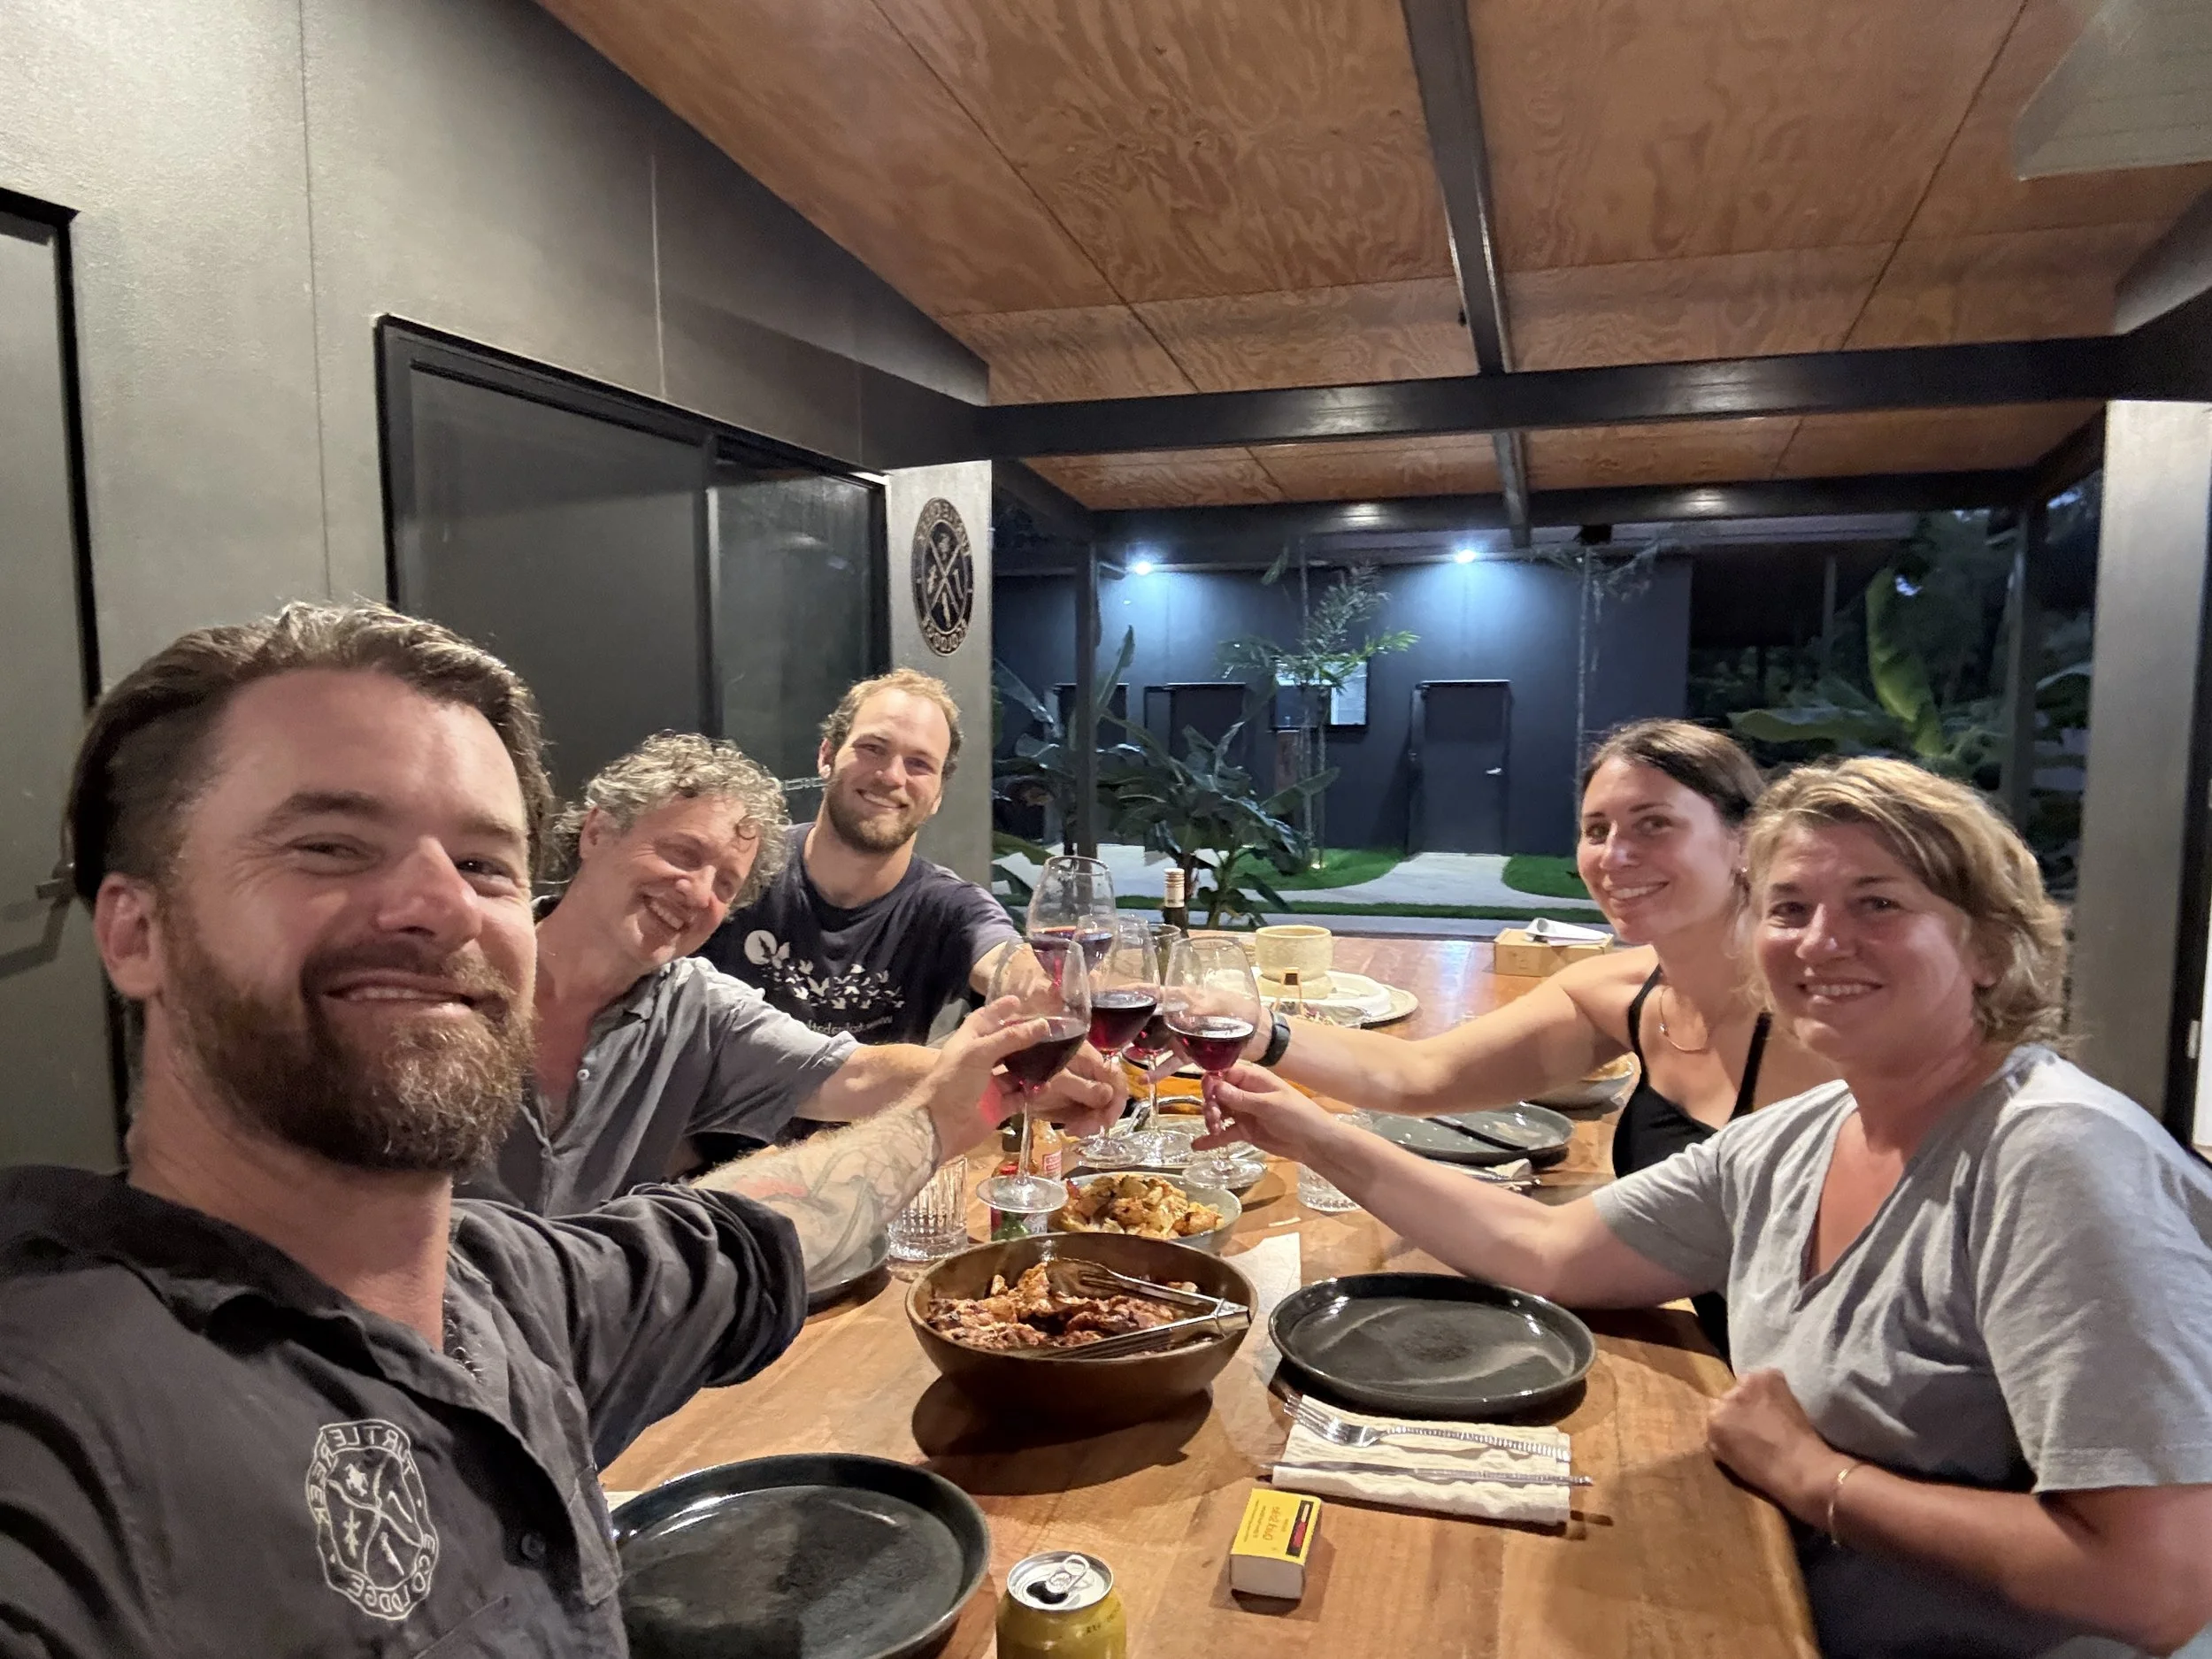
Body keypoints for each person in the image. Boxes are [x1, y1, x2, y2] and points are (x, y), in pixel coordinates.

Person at [0, 603, 1110, 1655]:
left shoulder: (518, 1297)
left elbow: (757, 1227)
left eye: (482, 861)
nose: (439, 904)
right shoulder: (58, 1435)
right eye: (331, 846)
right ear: (135, 932)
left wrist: (957, 1109)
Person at [1201, 757, 2212, 1657]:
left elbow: (2153, 1588)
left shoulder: (2055, 1159)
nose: (1821, 942)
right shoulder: (1807, 1132)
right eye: (1788, 908)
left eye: (1877, 904)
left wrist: (1815, 1478)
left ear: (1988, 946)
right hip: (1756, 1586)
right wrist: (1310, 1133)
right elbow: (1547, 1250)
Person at [1248, 719, 1834, 1350]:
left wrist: (1315, 1137)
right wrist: (1257, 1030)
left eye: (1654, 824)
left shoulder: (1817, 1035)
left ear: (1745, 840)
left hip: (1809, 1379)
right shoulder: (1622, 991)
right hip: (1712, 1354)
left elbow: (1552, 1255)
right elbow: (1420, 1075)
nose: (1614, 856)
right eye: (1597, 830)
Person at [467, 729, 1111, 1214]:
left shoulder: (697, 1007)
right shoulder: (454, 972)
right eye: (681, 853)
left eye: (725, 883)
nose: (697, 892)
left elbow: (855, 1072)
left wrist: (1008, 1074)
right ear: (598, 831)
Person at [700, 668, 1019, 1045]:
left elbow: (1006, 961)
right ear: (827, 756)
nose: (892, 776)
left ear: (937, 795)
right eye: (872, 748)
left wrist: (1037, 980)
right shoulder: (740, 866)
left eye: (919, 764)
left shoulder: (950, 908)